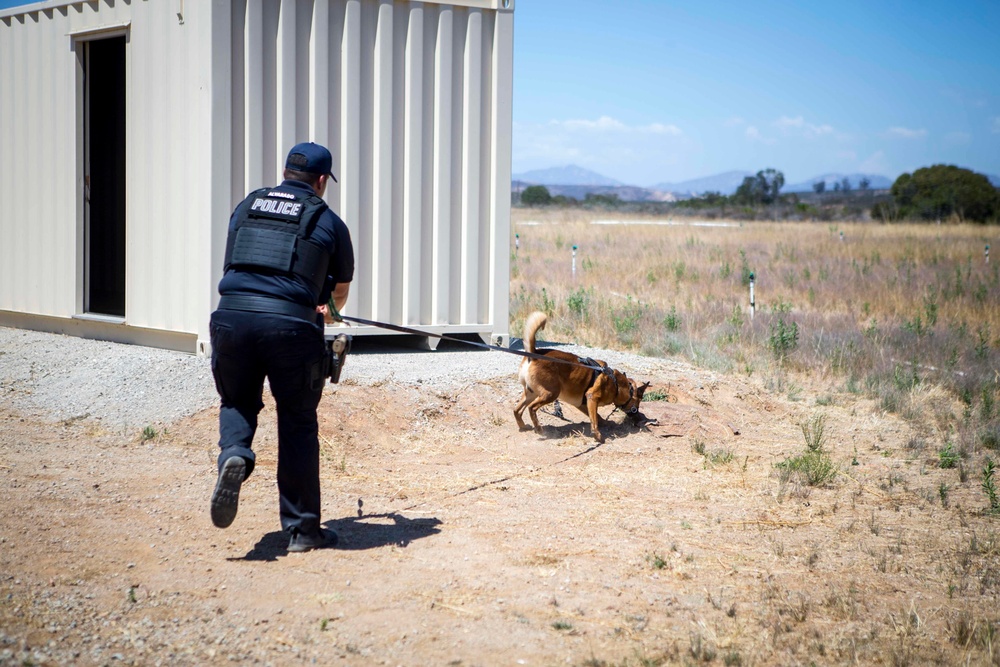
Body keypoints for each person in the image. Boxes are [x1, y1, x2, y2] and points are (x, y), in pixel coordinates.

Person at [208, 142, 354, 553]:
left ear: (286, 172)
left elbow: (232, 264)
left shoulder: (248, 205)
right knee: (297, 422)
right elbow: (340, 288)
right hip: (289, 326)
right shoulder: (328, 221)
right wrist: (328, 310)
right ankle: (303, 531)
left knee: (237, 402)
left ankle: (235, 453)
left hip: (231, 316)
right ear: (322, 181)